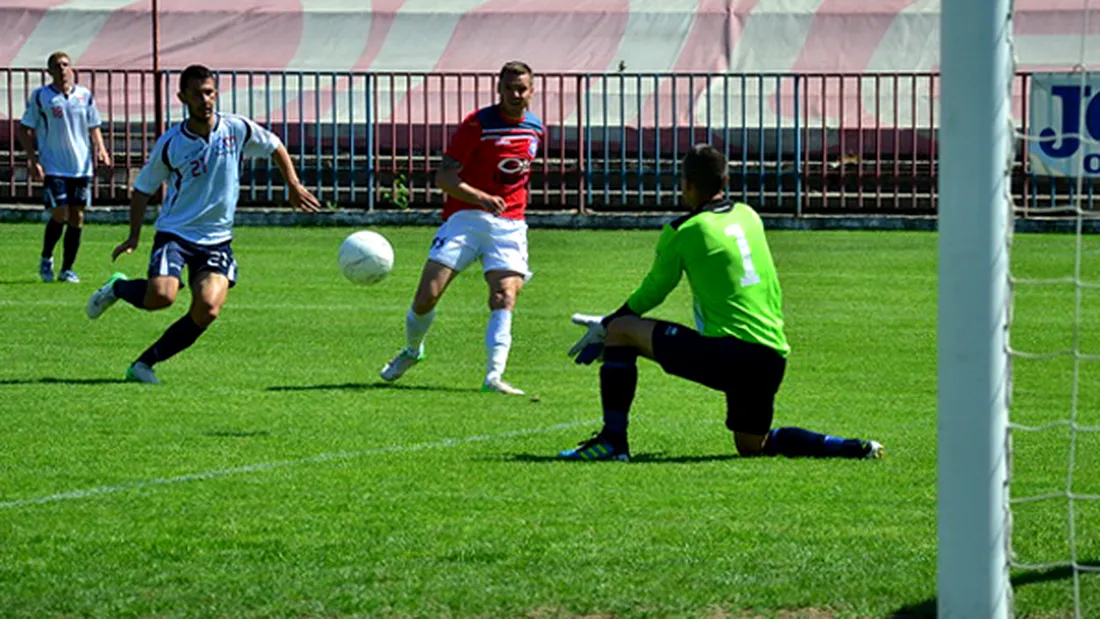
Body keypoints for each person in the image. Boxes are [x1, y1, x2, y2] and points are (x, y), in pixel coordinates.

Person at [560, 144, 884, 461]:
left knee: (622, 331)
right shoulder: (748, 215)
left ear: (685, 185)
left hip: (731, 355)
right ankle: (849, 446)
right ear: (726, 182)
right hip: (771, 358)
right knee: (751, 445)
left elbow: (654, 291)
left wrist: (608, 324)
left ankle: (613, 441)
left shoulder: (683, 230)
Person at [84, 64, 320, 384]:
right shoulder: (171, 143)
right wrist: (133, 237)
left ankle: (144, 364)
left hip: (217, 239)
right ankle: (117, 287)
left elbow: (274, 145)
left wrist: (292, 184)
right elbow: (142, 190)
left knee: (207, 308)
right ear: (182, 97)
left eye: (209, 92)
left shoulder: (236, 129)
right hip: (175, 234)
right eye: (196, 94)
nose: (204, 99)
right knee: (161, 298)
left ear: (216, 93)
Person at [379, 61, 544, 395]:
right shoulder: (477, 125)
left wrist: (503, 206)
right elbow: (444, 178)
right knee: (427, 297)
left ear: (532, 90)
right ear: (498, 89)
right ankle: (413, 350)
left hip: (509, 225)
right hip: (465, 218)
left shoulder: (535, 128)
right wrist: (481, 197)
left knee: (504, 296)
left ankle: (494, 376)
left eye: (521, 88)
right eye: (509, 88)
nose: (515, 94)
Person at [17, 50, 111, 283]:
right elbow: (24, 128)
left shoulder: (84, 95)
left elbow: (94, 125)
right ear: (49, 71)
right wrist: (33, 160)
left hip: (81, 166)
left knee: (77, 217)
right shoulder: (42, 97)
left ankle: (67, 269)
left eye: (65, 65)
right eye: (57, 65)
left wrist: (101, 148)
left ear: (72, 69)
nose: (62, 69)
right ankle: (47, 258)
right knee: (60, 214)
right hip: (54, 165)